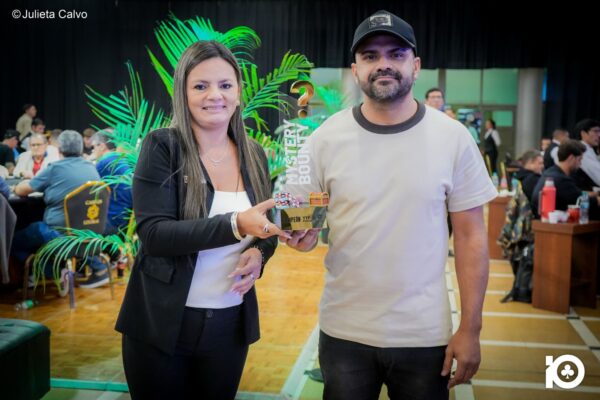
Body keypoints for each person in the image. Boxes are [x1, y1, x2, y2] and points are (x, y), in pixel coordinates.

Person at [282, 10, 497, 399]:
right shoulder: (326, 138)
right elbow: (300, 217)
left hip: (424, 334)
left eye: (396, 54)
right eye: (370, 56)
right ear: (355, 70)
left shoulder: (453, 138)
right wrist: (300, 236)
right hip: (344, 331)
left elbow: (471, 238)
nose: (383, 63)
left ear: (416, 65)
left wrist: (471, 328)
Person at [115, 41, 287, 400]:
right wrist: (235, 224)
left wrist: (259, 254)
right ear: (183, 92)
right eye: (200, 86)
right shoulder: (162, 146)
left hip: (229, 327)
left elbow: (263, 227)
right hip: (162, 325)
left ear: (238, 92)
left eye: (225, 85)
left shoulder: (254, 154)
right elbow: (154, 235)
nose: (215, 95)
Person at [11, 130, 108, 287]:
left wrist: (15, 187)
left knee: (13, 240)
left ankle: (54, 273)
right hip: (89, 233)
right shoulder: (91, 167)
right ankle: (59, 272)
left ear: (59, 149)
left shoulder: (55, 168)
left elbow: (22, 190)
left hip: (60, 235)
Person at [531, 139, 599, 218]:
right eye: (579, 160)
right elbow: (580, 201)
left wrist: (595, 194)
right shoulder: (561, 179)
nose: (580, 164)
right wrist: (597, 200)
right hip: (556, 224)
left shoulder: (551, 172)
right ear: (571, 158)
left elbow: (575, 193)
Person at [91, 130, 132, 234]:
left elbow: (88, 189)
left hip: (112, 221)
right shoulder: (124, 159)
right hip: (128, 221)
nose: (93, 151)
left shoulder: (104, 163)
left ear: (102, 146)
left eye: (94, 147)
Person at [573, 118, 600, 190]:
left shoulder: (589, 149)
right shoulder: (582, 151)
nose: (599, 135)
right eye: (595, 131)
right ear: (583, 133)